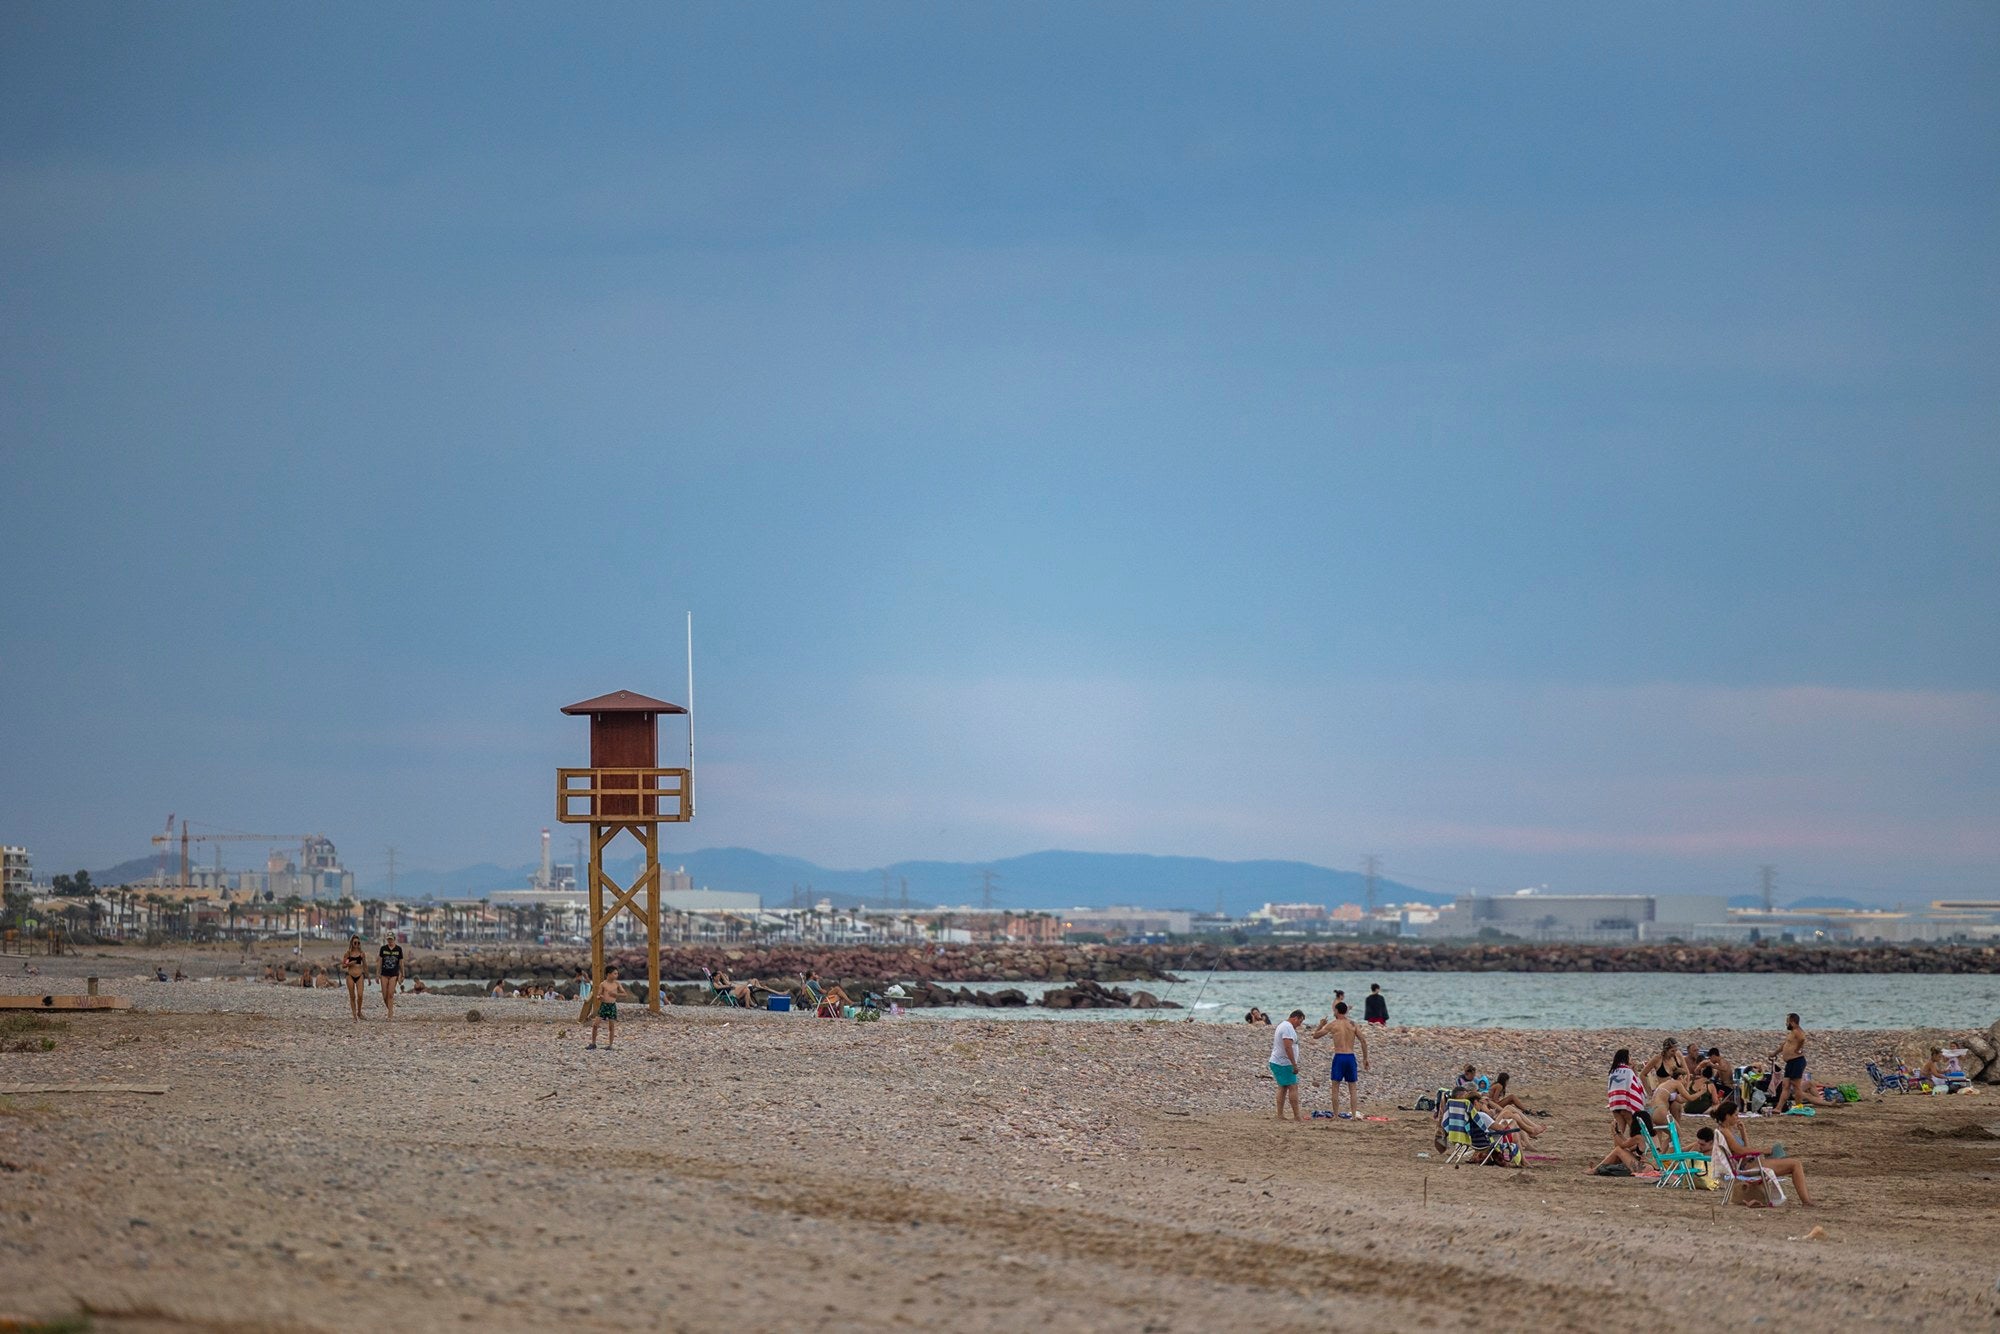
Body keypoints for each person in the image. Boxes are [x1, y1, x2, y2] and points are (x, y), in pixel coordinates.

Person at [1711, 1101, 1817, 1205]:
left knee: (1787, 1160)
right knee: (1795, 1164)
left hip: (1749, 1162)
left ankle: (1806, 1200)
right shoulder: (1725, 1132)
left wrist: (1743, 1132)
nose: (1737, 1117)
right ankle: (1806, 1201)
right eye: (1735, 1114)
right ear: (1727, 1116)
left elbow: (1745, 1149)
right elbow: (1740, 1151)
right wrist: (1762, 1150)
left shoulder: (1727, 1130)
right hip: (1748, 1166)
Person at [1309, 1001, 1370, 1119]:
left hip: (1339, 1057)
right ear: (1346, 1011)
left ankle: (1336, 1115)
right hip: (1350, 1057)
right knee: (1352, 1088)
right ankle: (1353, 1115)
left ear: (1336, 1011)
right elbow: (1363, 1040)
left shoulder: (1333, 1024)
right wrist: (1365, 1058)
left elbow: (1315, 1036)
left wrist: (1320, 1025)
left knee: (1335, 1087)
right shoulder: (1352, 1024)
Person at [1269, 1009, 1306, 1122]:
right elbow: (1288, 1047)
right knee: (1293, 1087)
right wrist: (1294, 1064)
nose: (1300, 1025)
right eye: (1300, 1021)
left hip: (1278, 1061)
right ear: (1295, 1018)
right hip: (1284, 1063)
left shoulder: (1283, 1025)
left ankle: (1280, 1114)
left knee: (1283, 1087)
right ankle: (1296, 1116)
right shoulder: (1288, 1028)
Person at [1771, 1013, 1808, 1111]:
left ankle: (1799, 1107)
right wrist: (1775, 1053)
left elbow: (1802, 1039)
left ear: (1792, 1022)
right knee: (1785, 1085)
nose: (1786, 1024)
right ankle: (1779, 1108)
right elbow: (1785, 1045)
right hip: (1790, 1062)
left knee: (1796, 1085)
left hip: (1797, 1061)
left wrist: (1798, 1049)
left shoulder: (1797, 1031)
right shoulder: (1792, 1033)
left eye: (1787, 1021)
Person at [588, 965, 626, 1050]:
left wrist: (616, 994)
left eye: (617, 973)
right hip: (604, 1005)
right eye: (615, 973)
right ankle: (593, 1043)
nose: (617, 975)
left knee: (611, 1026)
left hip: (612, 1006)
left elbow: (625, 994)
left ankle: (610, 1045)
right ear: (608, 974)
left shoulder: (617, 984)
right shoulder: (603, 984)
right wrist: (599, 997)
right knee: (595, 1025)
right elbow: (598, 995)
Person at [377, 932, 404, 1020]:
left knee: (390, 994)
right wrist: (377, 974)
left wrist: (403, 974)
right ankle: (390, 1009)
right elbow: (380, 962)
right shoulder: (383, 949)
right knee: (384, 996)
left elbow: (401, 962)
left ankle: (390, 1014)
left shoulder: (398, 949)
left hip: (394, 974)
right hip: (384, 974)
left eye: (391, 939)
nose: (390, 940)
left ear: (394, 939)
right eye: (388, 939)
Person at [340, 935, 368, 1020]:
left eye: (358, 943)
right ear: (352, 943)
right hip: (350, 976)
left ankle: (359, 1012)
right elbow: (343, 965)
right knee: (352, 996)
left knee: (360, 995)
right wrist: (350, 964)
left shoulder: (362, 954)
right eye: (355, 943)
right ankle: (354, 1015)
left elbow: (365, 965)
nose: (357, 944)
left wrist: (369, 977)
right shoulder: (348, 954)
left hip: (360, 975)